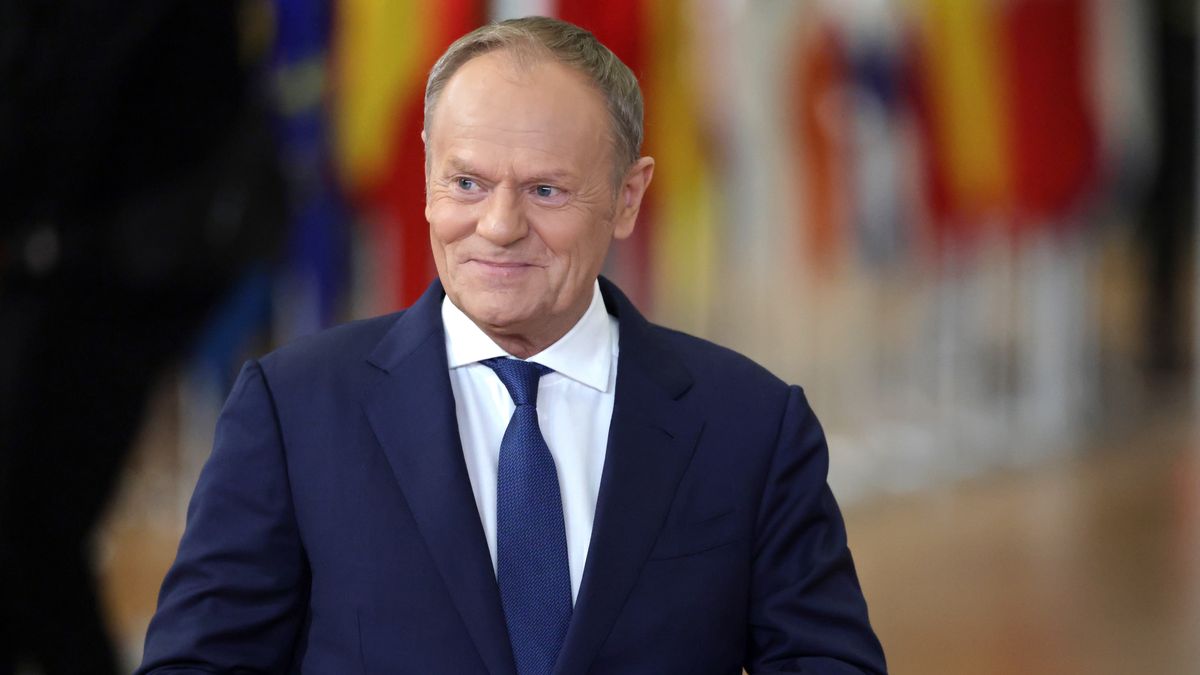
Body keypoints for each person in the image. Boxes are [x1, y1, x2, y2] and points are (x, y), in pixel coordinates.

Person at [138, 16, 886, 674]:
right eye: (466, 182)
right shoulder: (292, 411)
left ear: (628, 197)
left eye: (545, 191)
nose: (498, 225)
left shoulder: (751, 425)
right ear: (427, 179)